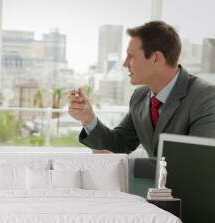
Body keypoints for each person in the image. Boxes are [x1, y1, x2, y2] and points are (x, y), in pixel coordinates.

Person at [69, 21, 215, 157]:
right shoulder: (140, 96)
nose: (125, 64)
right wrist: (88, 119)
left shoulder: (206, 98)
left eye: (131, 56)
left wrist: (131, 167)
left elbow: (196, 161)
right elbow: (119, 144)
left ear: (156, 58)